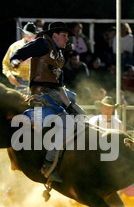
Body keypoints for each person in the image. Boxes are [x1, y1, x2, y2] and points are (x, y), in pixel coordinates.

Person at [10, 21, 86, 183]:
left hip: (53, 94)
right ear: (55, 35)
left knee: (80, 114)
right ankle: (49, 162)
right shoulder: (43, 43)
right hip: (41, 95)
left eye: (67, 36)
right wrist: (15, 60)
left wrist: (70, 106)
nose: (67, 39)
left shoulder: (58, 55)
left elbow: (59, 87)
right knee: (67, 122)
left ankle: (69, 155)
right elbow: (20, 53)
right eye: (64, 35)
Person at [2, 22, 37, 91]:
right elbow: (5, 63)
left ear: (35, 35)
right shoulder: (15, 47)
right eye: (27, 34)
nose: (29, 37)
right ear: (24, 34)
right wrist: (9, 75)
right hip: (20, 81)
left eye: (32, 35)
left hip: (36, 81)